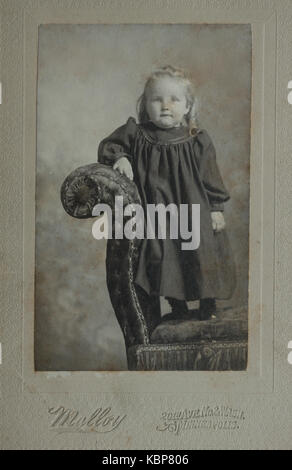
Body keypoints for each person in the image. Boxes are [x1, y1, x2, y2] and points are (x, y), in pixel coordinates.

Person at [98, 65, 236, 320]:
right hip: (159, 214)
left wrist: (216, 208)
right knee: (165, 259)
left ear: (187, 107)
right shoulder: (137, 134)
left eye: (174, 100)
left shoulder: (197, 139)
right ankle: (177, 306)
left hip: (194, 212)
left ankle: (208, 303)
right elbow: (110, 145)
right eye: (157, 99)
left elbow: (210, 177)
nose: (165, 106)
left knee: (201, 255)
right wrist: (122, 157)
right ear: (145, 104)